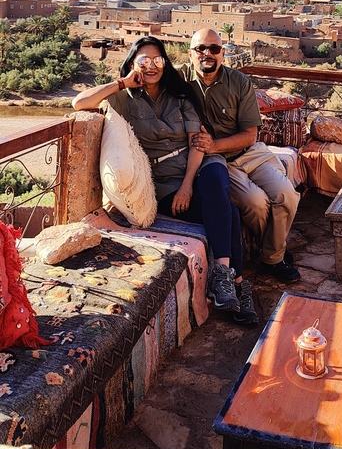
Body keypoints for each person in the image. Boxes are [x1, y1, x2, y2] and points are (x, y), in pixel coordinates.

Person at [72, 36, 259, 325]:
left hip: (196, 166)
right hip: (164, 182)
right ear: (134, 64)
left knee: (215, 174)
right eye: (144, 61)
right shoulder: (123, 97)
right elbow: (79, 102)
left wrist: (187, 186)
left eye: (157, 60)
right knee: (229, 212)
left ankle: (222, 276)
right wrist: (121, 83)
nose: (151, 66)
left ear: (165, 63)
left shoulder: (179, 94)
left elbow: (197, 143)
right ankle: (237, 284)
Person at [181, 29, 301, 283]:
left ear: (223, 54)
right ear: (190, 53)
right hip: (221, 163)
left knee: (286, 194)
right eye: (201, 48)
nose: (207, 54)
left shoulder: (239, 82)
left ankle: (272, 257)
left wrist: (213, 145)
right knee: (256, 203)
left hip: (250, 153)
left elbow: (250, 135)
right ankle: (274, 254)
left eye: (214, 49)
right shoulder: (179, 80)